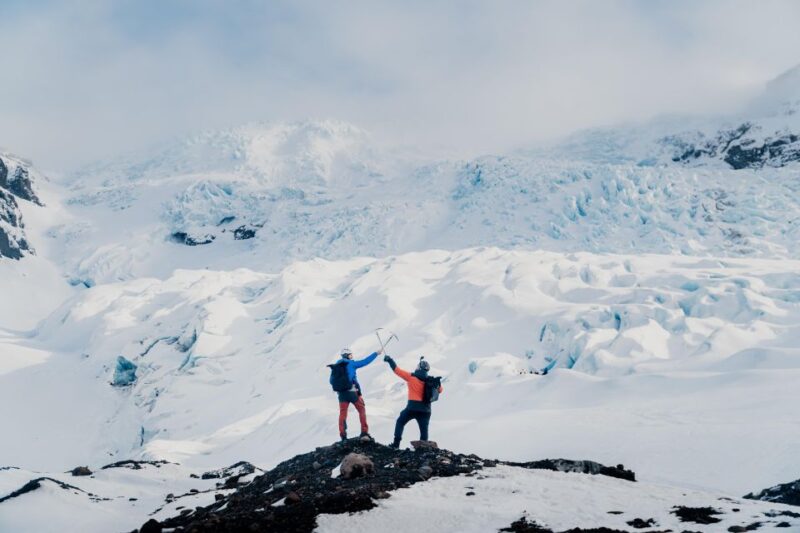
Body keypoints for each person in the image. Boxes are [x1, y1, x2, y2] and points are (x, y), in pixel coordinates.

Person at [383, 355, 443, 448]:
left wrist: (390, 360)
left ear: (419, 367)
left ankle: (396, 444)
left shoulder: (411, 377)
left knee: (400, 422)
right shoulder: (430, 380)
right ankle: (423, 449)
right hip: (426, 410)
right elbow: (440, 390)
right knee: (424, 430)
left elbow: (397, 370)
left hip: (412, 407)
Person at [329, 347, 381, 441]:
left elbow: (331, 381)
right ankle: (364, 432)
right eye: (350, 354)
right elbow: (365, 362)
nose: (352, 356)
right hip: (352, 391)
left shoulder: (336, 366)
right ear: (347, 355)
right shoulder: (351, 363)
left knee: (343, 413)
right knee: (361, 409)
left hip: (341, 394)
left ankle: (343, 436)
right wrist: (376, 353)